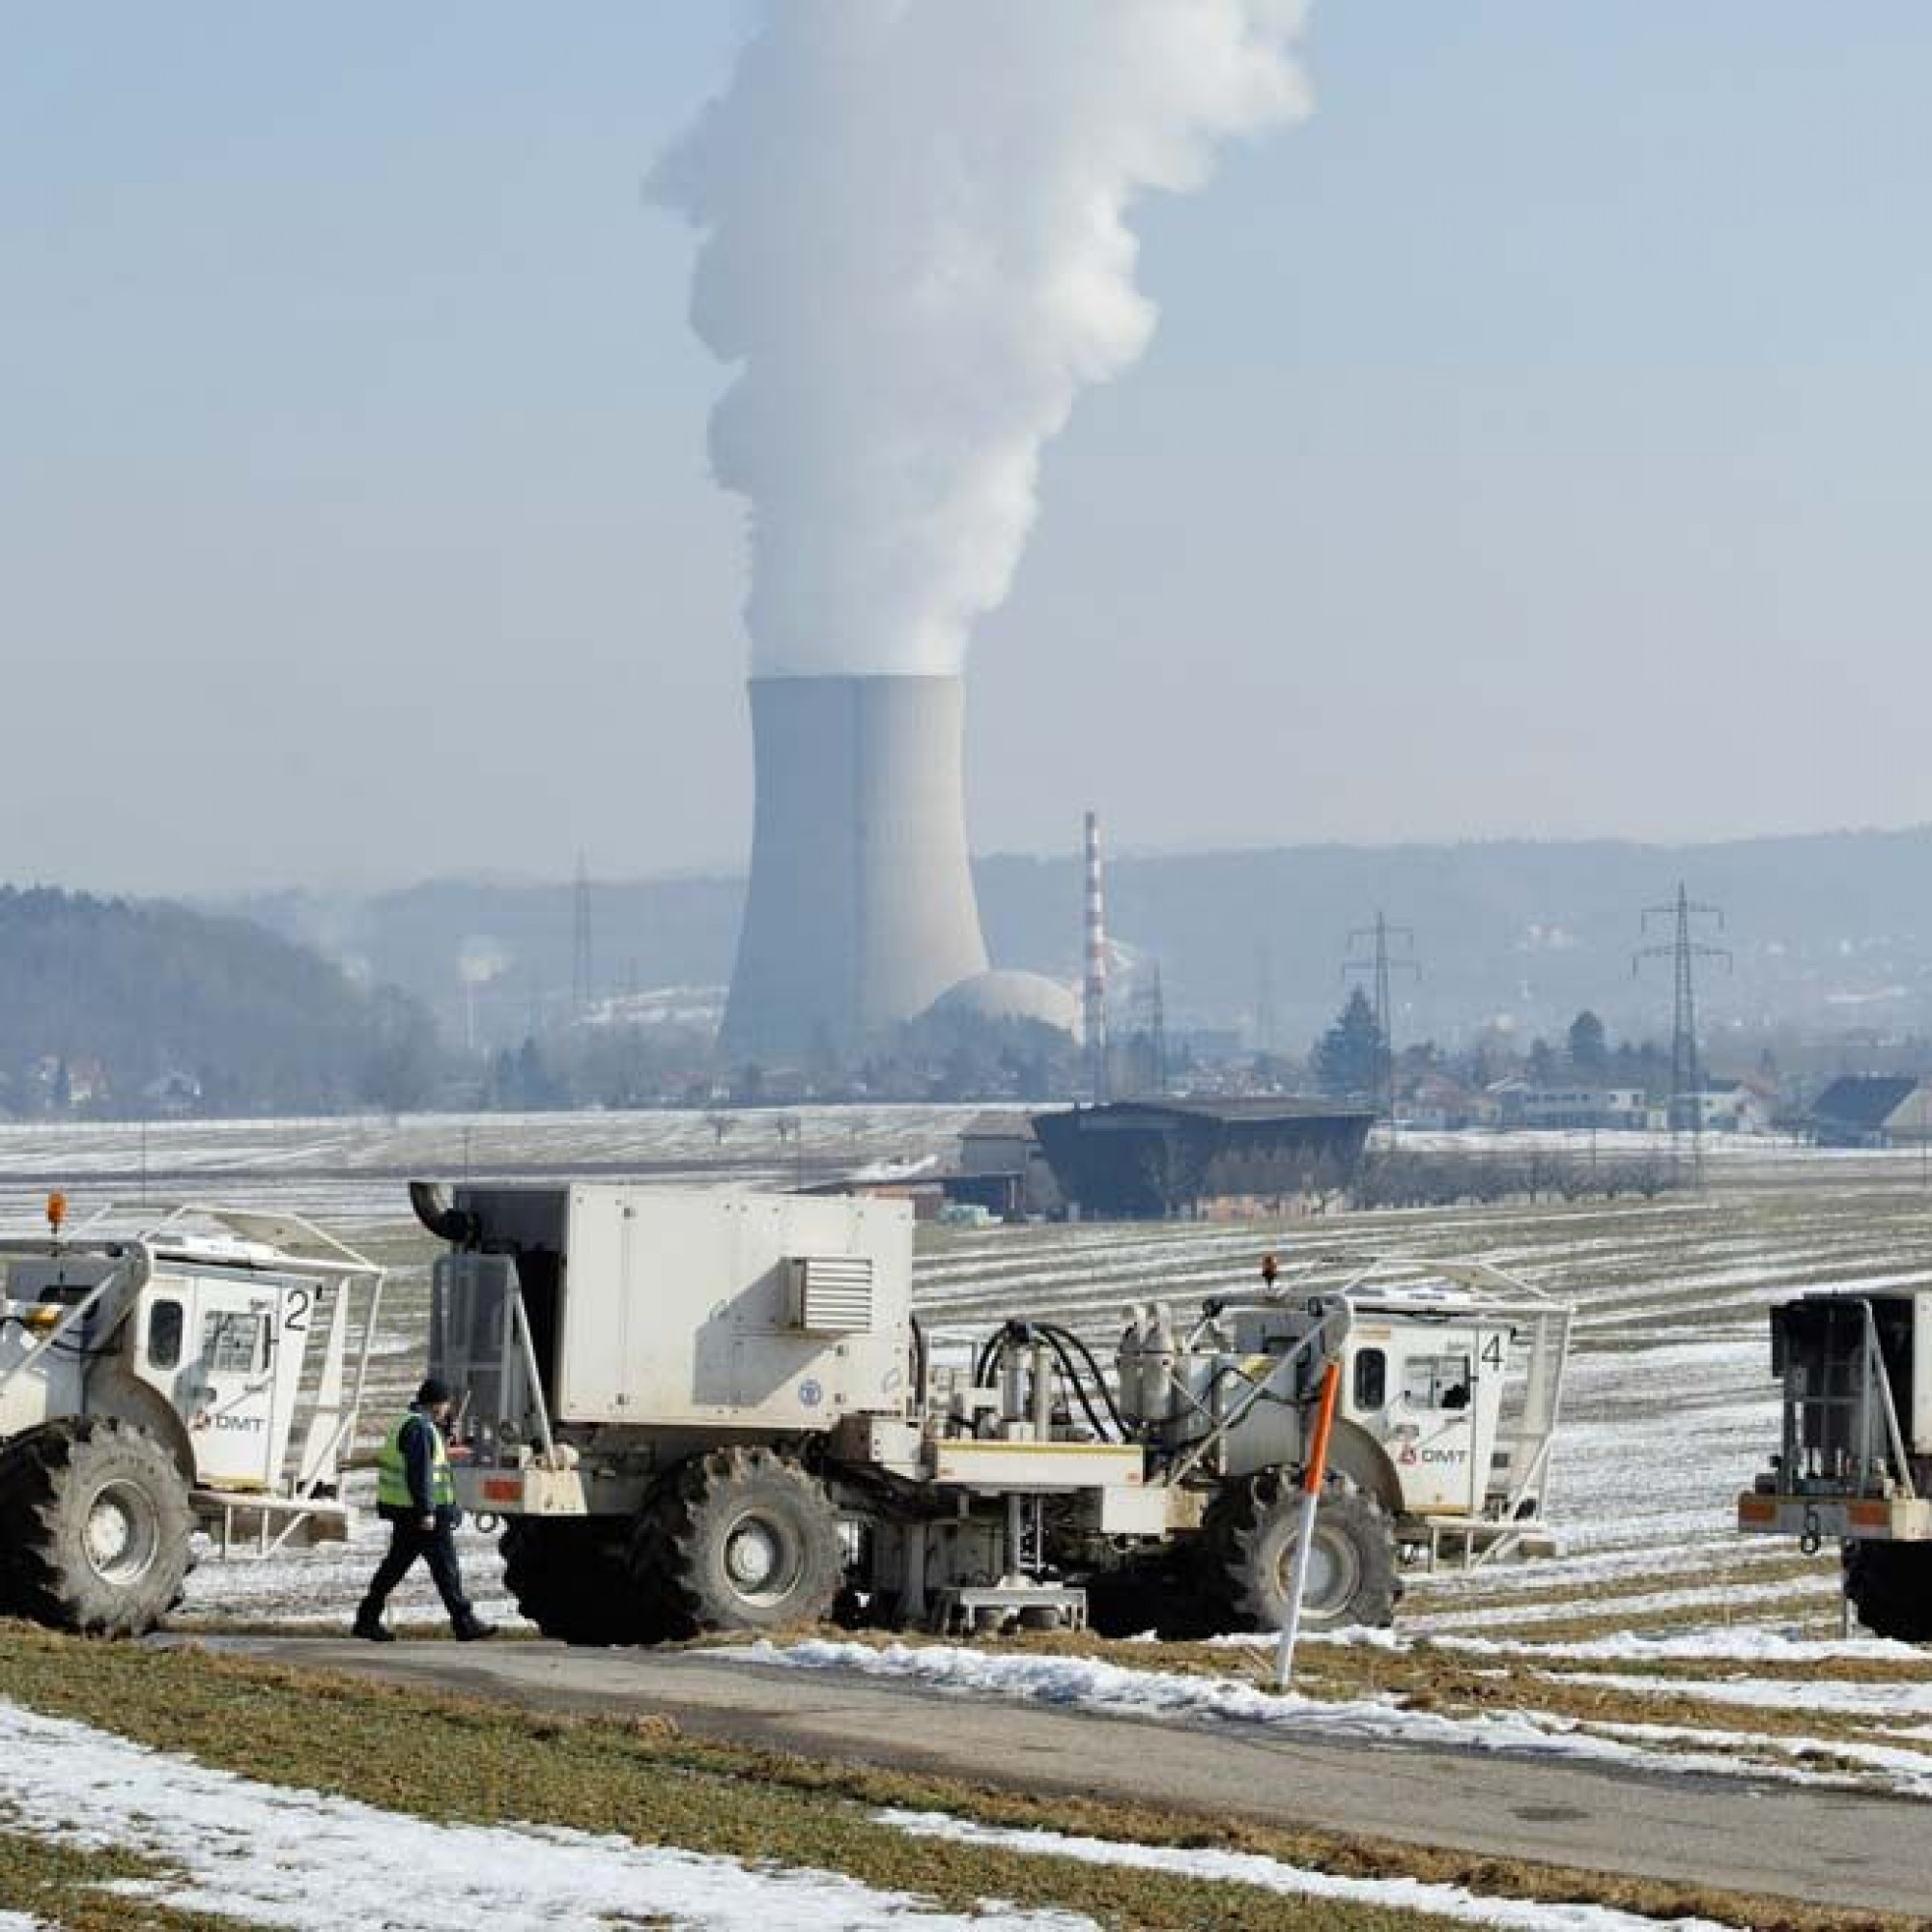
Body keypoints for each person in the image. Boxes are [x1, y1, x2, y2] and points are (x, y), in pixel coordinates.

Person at [354, 1377, 494, 1642]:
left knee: (395, 1568)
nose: (447, 1410)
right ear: (438, 1404)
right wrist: (427, 1512)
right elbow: (421, 1474)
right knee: (446, 1569)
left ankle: (367, 1618)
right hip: (425, 1514)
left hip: (407, 1511)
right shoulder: (420, 1429)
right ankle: (464, 1623)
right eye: (446, 1405)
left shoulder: (407, 1423)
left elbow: (422, 1462)